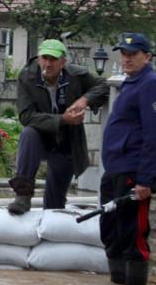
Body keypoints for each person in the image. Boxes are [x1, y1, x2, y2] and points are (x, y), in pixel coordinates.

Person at [100, 32, 156, 285]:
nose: (127, 59)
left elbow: (155, 136)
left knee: (133, 233)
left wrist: (145, 179)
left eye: (133, 54)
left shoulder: (151, 85)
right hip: (115, 169)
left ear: (147, 57)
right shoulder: (131, 82)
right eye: (124, 54)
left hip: (133, 171)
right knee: (111, 228)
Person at [8, 39, 109, 214]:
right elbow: (26, 116)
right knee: (29, 133)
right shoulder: (27, 77)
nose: (48, 64)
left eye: (53, 59)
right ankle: (23, 195)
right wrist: (63, 119)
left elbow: (104, 85)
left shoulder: (77, 76)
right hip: (41, 136)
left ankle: (53, 218)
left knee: (54, 203)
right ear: (39, 59)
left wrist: (84, 99)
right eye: (44, 58)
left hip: (68, 140)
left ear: (63, 62)